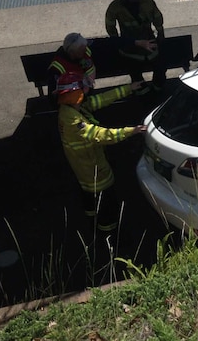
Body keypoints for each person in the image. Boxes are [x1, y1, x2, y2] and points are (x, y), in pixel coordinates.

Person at [55, 72, 147, 236]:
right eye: (83, 89)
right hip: (93, 170)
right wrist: (131, 131)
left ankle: (92, 222)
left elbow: (101, 99)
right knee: (107, 204)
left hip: (84, 168)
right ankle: (109, 236)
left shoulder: (72, 109)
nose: (86, 91)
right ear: (75, 93)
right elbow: (100, 135)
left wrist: (128, 88)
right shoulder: (73, 120)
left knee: (89, 199)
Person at [105, 0, 166, 89]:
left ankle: (156, 89)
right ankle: (145, 94)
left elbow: (157, 18)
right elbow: (110, 27)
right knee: (138, 75)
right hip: (132, 49)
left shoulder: (146, 1)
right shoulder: (115, 8)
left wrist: (160, 34)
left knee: (159, 70)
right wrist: (118, 42)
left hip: (145, 45)